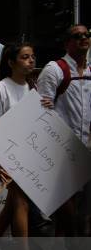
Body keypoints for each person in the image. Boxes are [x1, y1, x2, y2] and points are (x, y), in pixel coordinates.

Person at [0, 42, 41, 250]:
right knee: (21, 202)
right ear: (11, 63)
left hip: (28, 153)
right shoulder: (0, 89)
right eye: (25, 57)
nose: (31, 61)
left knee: (13, 202)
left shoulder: (33, 88)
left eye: (32, 56)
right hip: (9, 154)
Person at [37, 24, 91, 236]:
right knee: (65, 213)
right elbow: (40, 110)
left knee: (84, 214)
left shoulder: (89, 71)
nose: (83, 39)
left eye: (87, 35)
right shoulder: (55, 69)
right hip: (59, 153)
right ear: (67, 42)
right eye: (77, 36)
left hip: (86, 151)